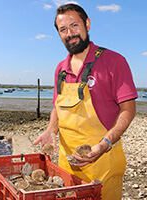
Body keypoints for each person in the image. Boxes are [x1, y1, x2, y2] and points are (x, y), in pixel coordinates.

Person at [33, 3, 138, 200]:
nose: (70, 33)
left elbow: (128, 109)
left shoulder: (114, 61)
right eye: (63, 29)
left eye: (74, 25)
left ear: (87, 24)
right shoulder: (60, 69)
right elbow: (58, 106)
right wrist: (50, 130)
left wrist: (105, 143)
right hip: (67, 163)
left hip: (103, 161)